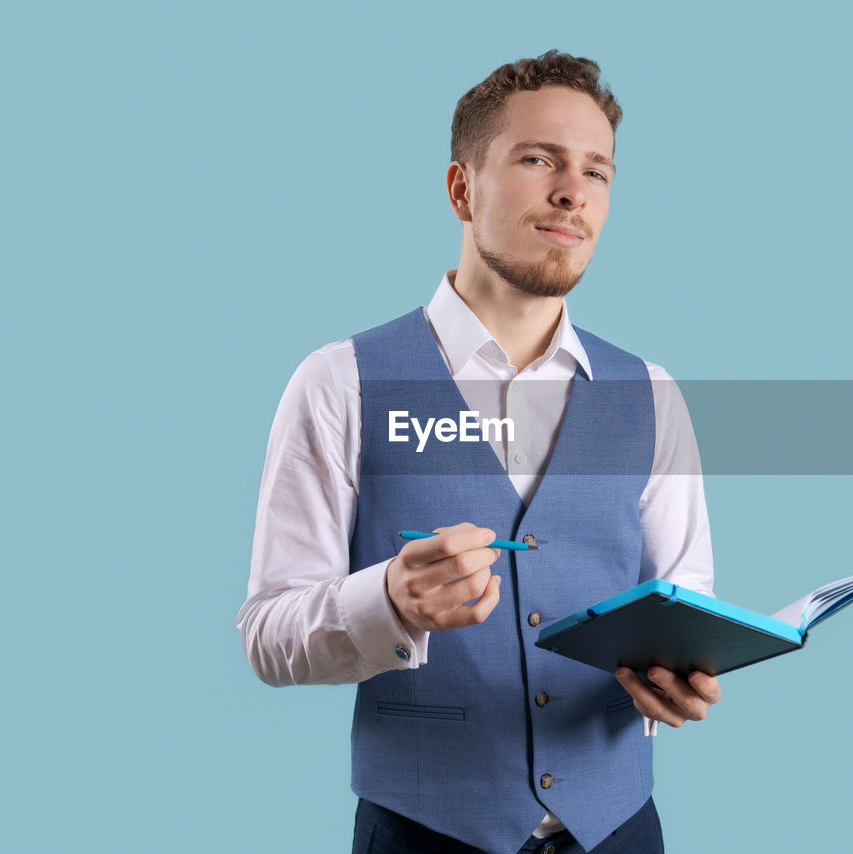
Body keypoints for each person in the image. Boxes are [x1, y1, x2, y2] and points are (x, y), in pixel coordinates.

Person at [236, 50, 720, 854]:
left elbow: (682, 596)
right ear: (462, 188)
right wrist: (387, 600)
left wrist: (674, 670)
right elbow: (267, 633)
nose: (573, 191)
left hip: (620, 831)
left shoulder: (650, 393)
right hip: (423, 832)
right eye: (540, 160)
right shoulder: (341, 383)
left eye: (597, 171)